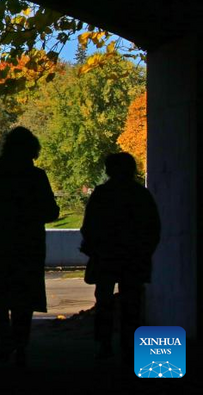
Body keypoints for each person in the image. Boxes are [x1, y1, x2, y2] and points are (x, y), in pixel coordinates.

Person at [0, 127, 60, 367]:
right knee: (23, 298)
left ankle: (5, 340)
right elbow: (51, 211)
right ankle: (21, 345)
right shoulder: (36, 177)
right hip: (28, 245)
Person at [80, 152, 160, 363]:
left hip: (106, 256)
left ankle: (105, 345)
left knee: (104, 302)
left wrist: (94, 249)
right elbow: (153, 227)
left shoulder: (102, 194)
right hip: (133, 258)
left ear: (109, 170)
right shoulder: (140, 195)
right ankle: (130, 346)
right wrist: (145, 252)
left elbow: (89, 226)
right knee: (131, 303)